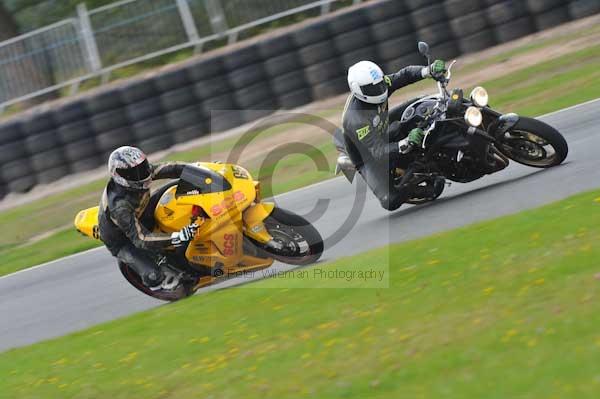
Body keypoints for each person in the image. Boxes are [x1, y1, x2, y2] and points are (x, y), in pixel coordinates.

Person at [340, 59, 447, 211]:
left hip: (382, 126)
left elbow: (404, 75)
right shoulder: (356, 119)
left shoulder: (379, 83)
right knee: (390, 201)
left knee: (420, 104)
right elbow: (378, 151)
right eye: (373, 88)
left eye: (380, 83)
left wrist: (427, 70)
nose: (379, 89)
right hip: (368, 155)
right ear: (359, 90)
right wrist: (406, 142)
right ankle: (415, 180)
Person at [98, 146, 198, 290]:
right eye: (132, 172)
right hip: (124, 240)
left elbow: (172, 168)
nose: (140, 174)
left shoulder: (144, 173)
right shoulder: (120, 207)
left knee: (179, 187)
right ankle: (163, 280)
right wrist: (177, 237)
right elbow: (141, 239)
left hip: (143, 211)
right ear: (118, 175)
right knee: (153, 277)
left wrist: (202, 170)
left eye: (141, 167)